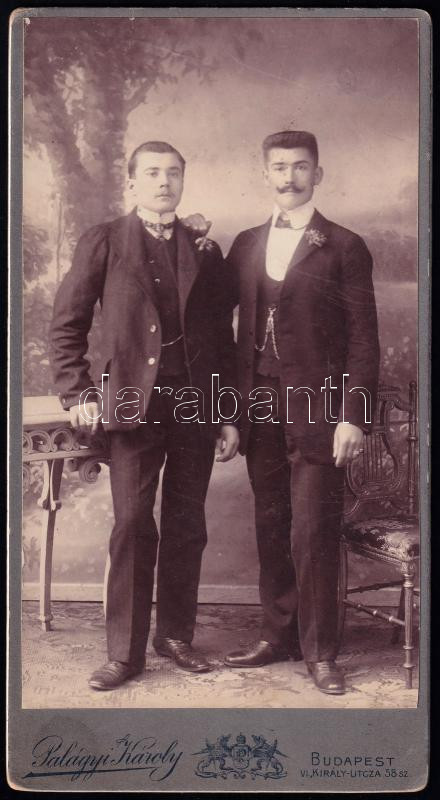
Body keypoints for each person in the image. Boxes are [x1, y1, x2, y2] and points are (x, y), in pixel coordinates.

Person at [49, 141, 239, 690]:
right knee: (132, 522)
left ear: (183, 181)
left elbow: (221, 339)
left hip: (195, 403)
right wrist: (79, 393)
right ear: (131, 182)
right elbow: (67, 323)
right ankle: (125, 654)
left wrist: (227, 411)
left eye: (173, 173)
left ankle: (175, 636)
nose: (163, 182)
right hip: (132, 402)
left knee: (187, 522)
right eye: (152, 173)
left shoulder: (204, 249)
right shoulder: (105, 240)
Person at [223, 130, 380, 694]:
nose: (288, 177)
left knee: (313, 529)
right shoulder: (245, 243)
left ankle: (321, 652)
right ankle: (278, 636)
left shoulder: (344, 246)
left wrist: (353, 416)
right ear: (264, 173)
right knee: (271, 524)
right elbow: (218, 327)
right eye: (279, 166)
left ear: (318, 174)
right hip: (259, 403)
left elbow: (364, 340)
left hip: (320, 410)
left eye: (300, 167)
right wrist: (229, 412)